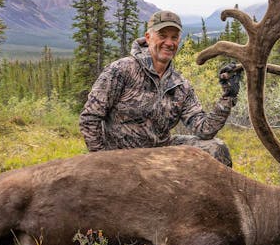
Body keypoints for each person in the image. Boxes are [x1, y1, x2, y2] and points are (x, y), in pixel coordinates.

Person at [79, 10, 241, 167]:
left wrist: (228, 97)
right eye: (162, 36)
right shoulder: (121, 70)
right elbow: (89, 118)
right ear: (148, 37)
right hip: (121, 155)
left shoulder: (180, 85)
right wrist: (101, 160)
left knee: (216, 148)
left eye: (174, 37)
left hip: (160, 153)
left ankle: (215, 194)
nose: (169, 43)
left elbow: (204, 130)